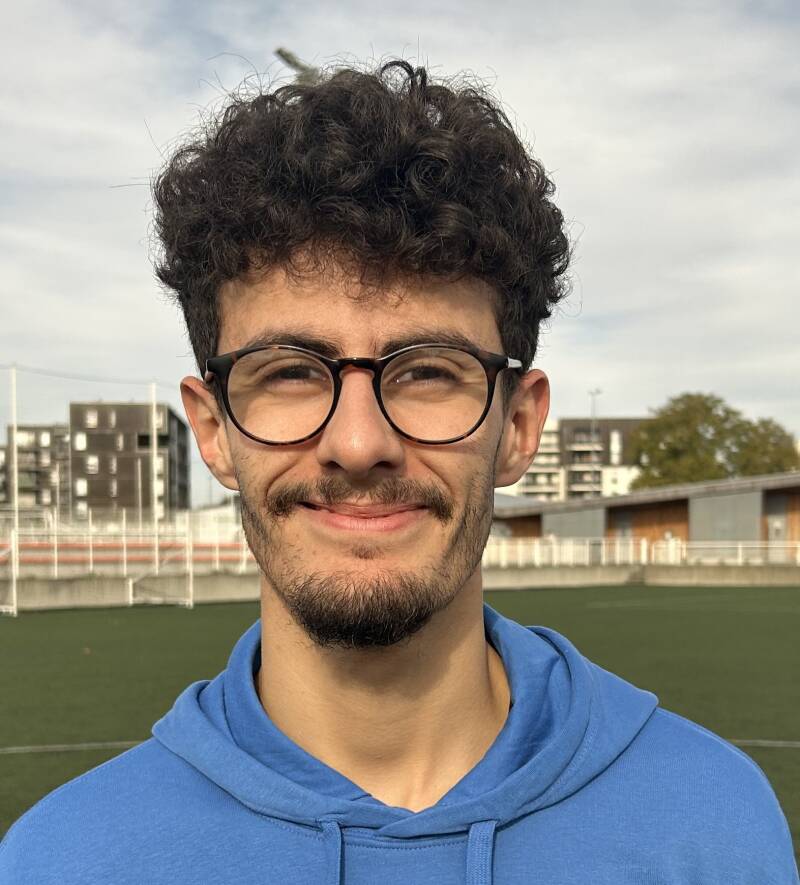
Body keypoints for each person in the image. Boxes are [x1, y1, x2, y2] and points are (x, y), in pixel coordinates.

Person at [1, 60, 796, 885]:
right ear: (213, 430)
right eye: (290, 371)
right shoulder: (61, 861)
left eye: (427, 371)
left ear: (519, 426)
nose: (357, 442)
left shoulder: (716, 827)